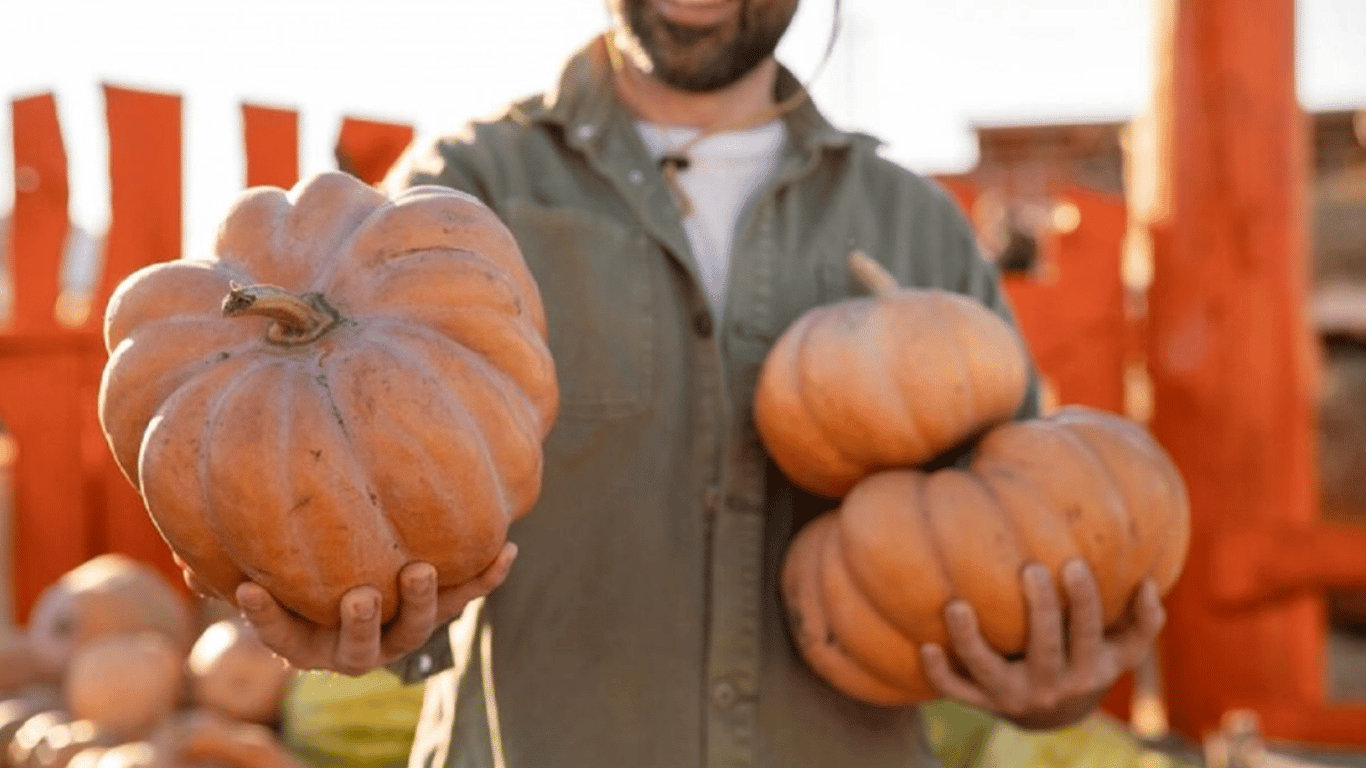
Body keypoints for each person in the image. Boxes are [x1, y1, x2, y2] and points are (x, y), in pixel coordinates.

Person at [232, 0, 1167, 765]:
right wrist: (370, 615)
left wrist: (1053, 678)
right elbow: (363, 487)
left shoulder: (912, 224)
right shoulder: (465, 190)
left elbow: (1026, 521)